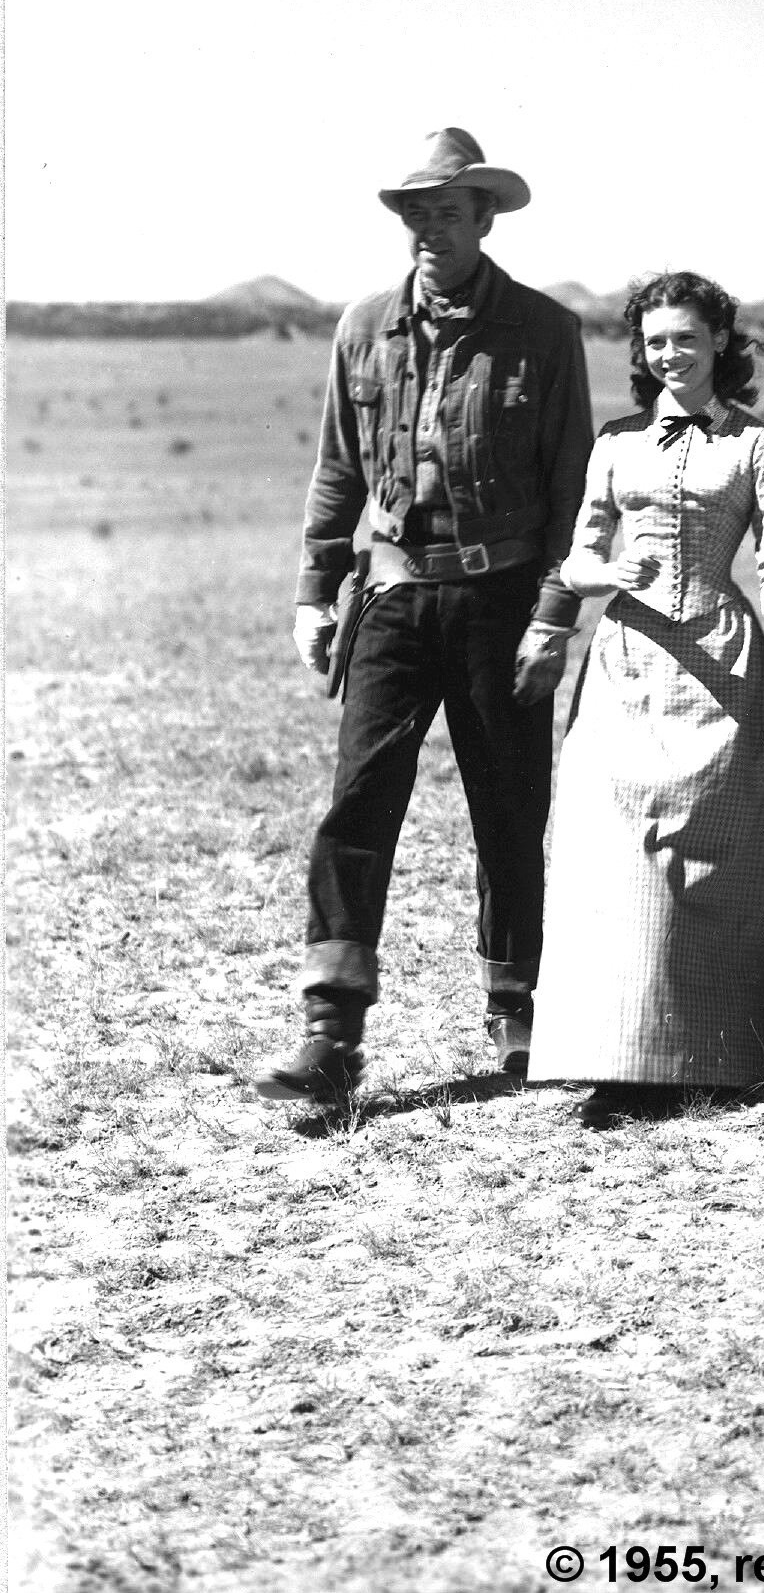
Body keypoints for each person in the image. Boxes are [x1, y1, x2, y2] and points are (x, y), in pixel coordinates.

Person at [255, 129, 594, 1102]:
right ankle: (332, 1026)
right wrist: (314, 591)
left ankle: (518, 1001)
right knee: (359, 802)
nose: (428, 232)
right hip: (394, 596)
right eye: (416, 216)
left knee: (510, 805)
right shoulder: (363, 327)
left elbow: (574, 489)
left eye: (447, 214)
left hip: (501, 599)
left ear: (485, 219)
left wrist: (554, 616)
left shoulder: (543, 330)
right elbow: (336, 469)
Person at [528, 274, 764, 1111]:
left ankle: (712, 1056)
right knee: (617, 855)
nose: (669, 355)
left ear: (720, 340)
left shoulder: (755, 444)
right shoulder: (616, 442)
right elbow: (576, 556)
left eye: (684, 338)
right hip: (626, 661)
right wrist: (604, 573)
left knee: (713, 857)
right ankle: (617, 1060)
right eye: (654, 342)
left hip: (725, 660)